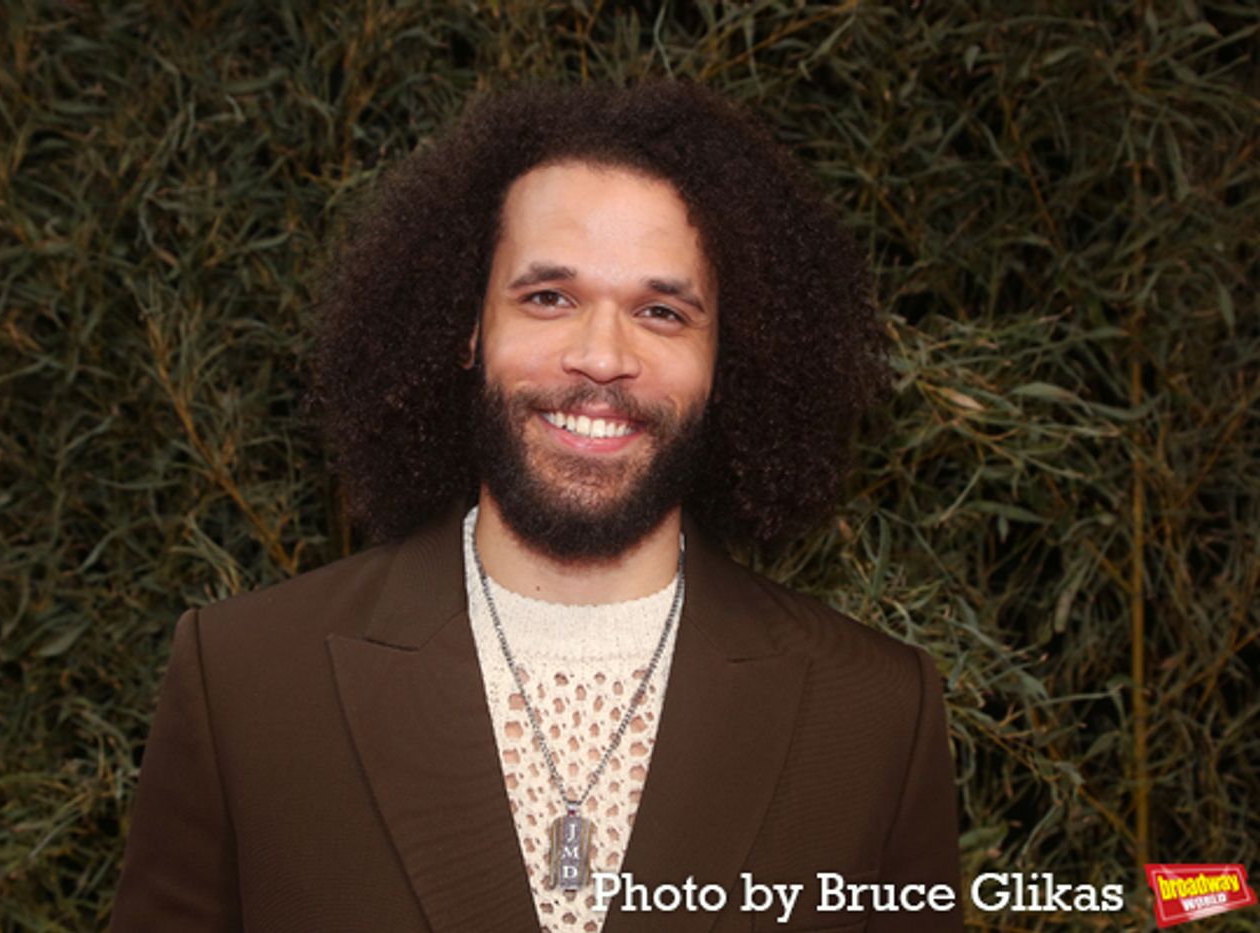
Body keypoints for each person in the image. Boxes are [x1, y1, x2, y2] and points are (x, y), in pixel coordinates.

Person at [111, 80, 963, 933]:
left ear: (726, 360)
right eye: (549, 297)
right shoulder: (247, 681)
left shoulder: (875, 713)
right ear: (466, 325)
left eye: (661, 311)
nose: (601, 356)